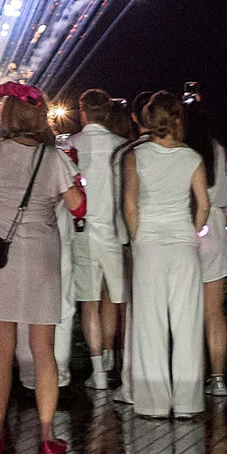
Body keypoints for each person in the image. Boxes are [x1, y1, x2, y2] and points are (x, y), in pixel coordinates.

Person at [0, 86, 83, 454]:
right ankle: (48, 435)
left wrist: (2, 89)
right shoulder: (53, 159)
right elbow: (79, 208)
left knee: (1, 352)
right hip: (40, 259)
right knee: (43, 351)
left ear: (6, 116)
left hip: (1, 260)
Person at [124, 90, 212, 418]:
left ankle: (154, 402)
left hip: (148, 243)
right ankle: (188, 402)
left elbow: (130, 206)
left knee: (151, 323)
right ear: (177, 118)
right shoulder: (192, 158)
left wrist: (138, 240)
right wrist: (192, 231)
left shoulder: (135, 155)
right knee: (187, 322)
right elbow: (203, 205)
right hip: (183, 244)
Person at [182, 93, 227, 399]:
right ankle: (218, 377)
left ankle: (188, 374)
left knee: (184, 311)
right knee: (215, 312)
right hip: (215, 232)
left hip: (184, 230)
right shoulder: (220, 152)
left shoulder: (179, 152)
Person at [70, 90, 129, 394]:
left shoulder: (71, 144)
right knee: (115, 299)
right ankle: (113, 361)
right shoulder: (122, 147)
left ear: (82, 111)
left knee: (90, 300)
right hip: (114, 230)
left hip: (83, 229)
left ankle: (99, 370)